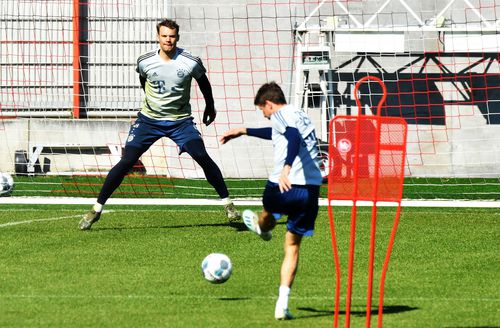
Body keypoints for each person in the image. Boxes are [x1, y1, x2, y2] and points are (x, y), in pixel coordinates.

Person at [79, 18, 240, 230]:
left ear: (177, 38)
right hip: (148, 121)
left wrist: (210, 106)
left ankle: (228, 205)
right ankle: (96, 210)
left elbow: (204, 83)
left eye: (172, 36)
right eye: (164, 36)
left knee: (201, 156)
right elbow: (144, 81)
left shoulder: (190, 61)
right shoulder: (144, 61)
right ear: (158, 37)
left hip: (180, 122)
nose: (168, 40)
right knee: (126, 161)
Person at [220, 82, 323, 320]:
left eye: (262, 111)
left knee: (268, 209)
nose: (265, 116)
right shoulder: (300, 114)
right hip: (311, 190)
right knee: (293, 246)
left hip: (284, 184)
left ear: (268, 104)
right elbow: (281, 133)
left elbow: (293, 137)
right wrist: (244, 130)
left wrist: (287, 168)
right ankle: (282, 304)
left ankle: (263, 227)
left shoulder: (279, 114)